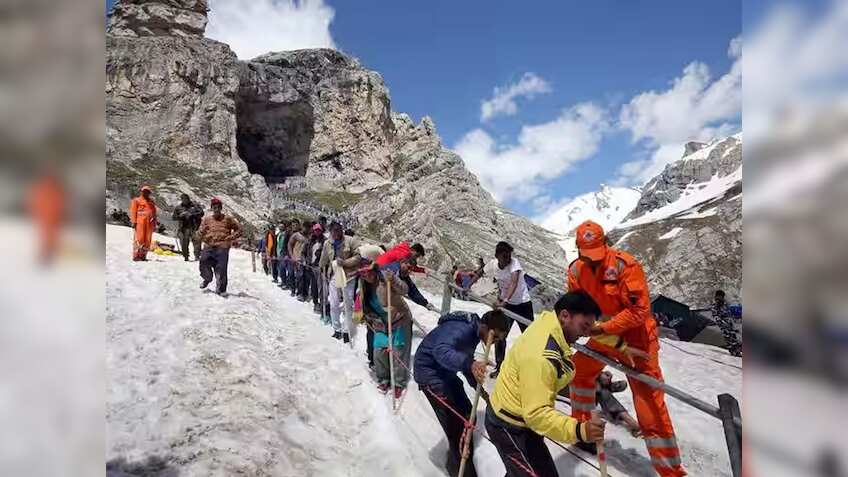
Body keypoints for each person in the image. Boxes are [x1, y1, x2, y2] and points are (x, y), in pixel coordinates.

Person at [567, 220, 686, 476]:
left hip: (637, 340)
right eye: (587, 257)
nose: (593, 263)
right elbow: (577, 306)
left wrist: (602, 329)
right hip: (605, 336)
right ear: (577, 250)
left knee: (649, 404)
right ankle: (584, 432)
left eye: (597, 256)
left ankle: (670, 471)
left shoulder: (625, 265)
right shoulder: (576, 271)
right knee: (580, 372)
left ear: (606, 243)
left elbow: (640, 311)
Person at [486, 291, 607, 476]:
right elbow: (536, 413)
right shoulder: (541, 356)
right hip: (509, 424)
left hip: (521, 418)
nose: (585, 334)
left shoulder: (550, 324)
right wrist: (580, 430)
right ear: (565, 315)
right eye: (584, 326)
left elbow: (550, 377)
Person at [414, 310, 511, 477]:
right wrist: (470, 363)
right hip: (430, 375)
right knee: (456, 424)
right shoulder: (461, 330)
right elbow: (441, 351)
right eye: (494, 338)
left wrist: (477, 386)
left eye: (498, 340)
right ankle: (461, 469)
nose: (494, 343)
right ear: (485, 326)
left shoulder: (474, 333)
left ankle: (460, 455)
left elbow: (466, 361)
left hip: (445, 373)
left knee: (467, 411)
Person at [484, 241, 535, 378]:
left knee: (530, 337)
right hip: (508, 304)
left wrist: (504, 301)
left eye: (509, 256)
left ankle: (531, 368)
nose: (508, 259)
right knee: (500, 336)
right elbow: (480, 272)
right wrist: (468, 286)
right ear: (497, 256)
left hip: (523, 304)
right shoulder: (493, 264)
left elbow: (514, 282)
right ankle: (500, 366)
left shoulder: (514, 263)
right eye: (504, 257)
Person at [360, 267, 411, 398]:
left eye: (368, 271)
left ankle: (399, 382)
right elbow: (363, 306)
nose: (367, 276)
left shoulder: (385, 279)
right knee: (379, 351)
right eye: (363, 274)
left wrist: (393, 279)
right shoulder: (363, 287)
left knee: (398, 351)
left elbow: (405, 289)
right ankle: (384, 379)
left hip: (399, 319)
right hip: (380, 323)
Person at [319, 221, 361, 342]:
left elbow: (358, 257)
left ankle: (347, 331)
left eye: (338, 230)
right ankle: (336, 328)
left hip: (349, 276)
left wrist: (345, 262)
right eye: (334, 231)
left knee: (348, 303)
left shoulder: (351, 241)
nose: (336, 233)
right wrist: (320, 268)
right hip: (334, 275)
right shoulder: (328, 243)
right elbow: (324, 258)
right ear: (331, 231)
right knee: (333, 302)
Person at [198, 197, 241, 296]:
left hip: (223, 246)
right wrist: (202, 232)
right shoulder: (207, 219)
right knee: (203, 262)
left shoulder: (228, 219)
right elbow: (199, 232)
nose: (216, 209)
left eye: (218, 207)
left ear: (220, 208)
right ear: (212, 208)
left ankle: (221, 289)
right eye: (214, 207)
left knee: (221, 268)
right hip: (209, 245)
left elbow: (239, 230)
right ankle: (207, 278)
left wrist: (231, 237)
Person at [27, 170, 65, 265]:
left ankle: (47, 255)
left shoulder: (50, 189)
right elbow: (35, 203)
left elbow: (34, 203)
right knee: (47, 238)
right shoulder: (51, 189)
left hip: (50, 218)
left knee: (48, 238)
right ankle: (45, 256)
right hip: (48, 218)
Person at [171, 193, 204, 261]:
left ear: (188, 199)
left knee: (196, 242)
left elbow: (201, 213)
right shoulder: (178, 207)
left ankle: (197, 256)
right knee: (183, 243)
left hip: (194, 227)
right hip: (183, 228)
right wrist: (180, 216)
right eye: (183, 199)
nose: (184, 200)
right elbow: (174, 217)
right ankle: (186, 256)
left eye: (186, 199)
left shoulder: (195, 206)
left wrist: (192, 215)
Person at [129, 185, 157, 261]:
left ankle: (143, 256)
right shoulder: (136, 200)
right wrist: (134, 221)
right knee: (139, 238)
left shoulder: (151, 202)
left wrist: (154, 223)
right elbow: (133, 211)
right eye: (144, 191)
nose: (146, 193)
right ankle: (136, 256)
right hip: (140, 222)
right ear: (141, 192)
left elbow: (154, 212)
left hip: (149, 223)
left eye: (148, 192)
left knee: (147, 239)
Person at [712, 290, 742, 357]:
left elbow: (729, 314)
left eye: (722, 296)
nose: (721, 298)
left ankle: (736, 351)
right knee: (728, 337)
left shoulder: (724, 304)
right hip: (723, 324)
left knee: (733, 337)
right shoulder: (715, 305)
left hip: (729, 323)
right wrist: (721, 323)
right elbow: (715, 316)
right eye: (720, 296)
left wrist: (732, 322)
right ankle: (733, 351)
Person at [287, 219, 307, 298]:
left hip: (302, 259)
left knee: (301, 276)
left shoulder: (306, 235)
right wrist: (291, 256)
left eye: (296, 225)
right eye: (293, 225)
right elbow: (289, 245)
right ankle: (293, 289)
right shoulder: (294, 235)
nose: (294, 227)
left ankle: (300, 292)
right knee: (292, 274)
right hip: (294, 258)